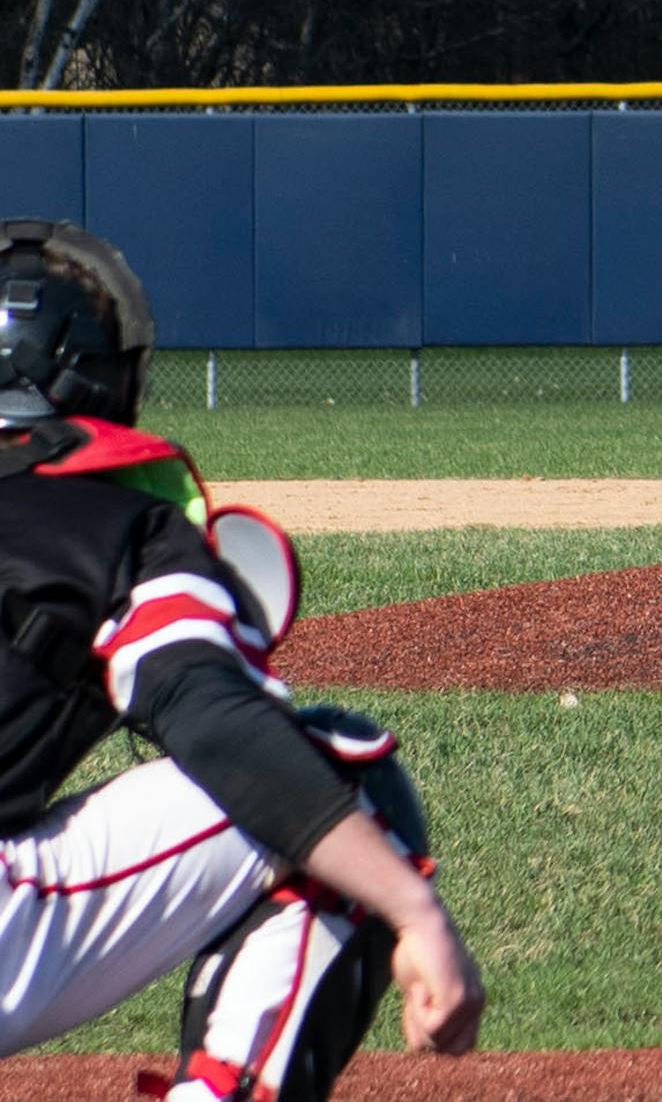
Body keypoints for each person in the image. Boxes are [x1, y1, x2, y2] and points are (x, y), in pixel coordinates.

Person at [0, 218, 483, 1100]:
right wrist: (414, 909)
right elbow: (216, 719)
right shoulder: (115, 527)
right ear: (101, 378)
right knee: (337, 777)